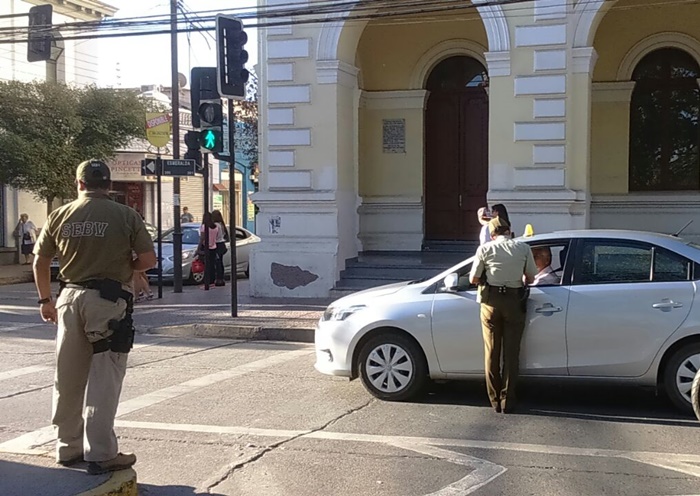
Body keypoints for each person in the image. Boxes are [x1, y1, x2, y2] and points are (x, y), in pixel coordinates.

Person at [32, 159, 156, 475]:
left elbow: (40, 262)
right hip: (107, 302)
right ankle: (101, 452)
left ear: (80, 184)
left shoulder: (59, 215)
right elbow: (148, 259)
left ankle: (66, 447)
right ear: (107, 185)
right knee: (105, 375)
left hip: (68, 299)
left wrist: (45, 300)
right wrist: (131, 267)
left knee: (68, 375)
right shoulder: (125, 215)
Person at [469, 216, 537, 414]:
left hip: (491, 302)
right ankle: (508, 399)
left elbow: (473, 278)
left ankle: (494, 399)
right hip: (514, 301)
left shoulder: (485, 249)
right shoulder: (523, 248)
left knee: (492, 351)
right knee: (511, 352)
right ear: (509, 231)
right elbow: (531, 277)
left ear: (492, 235)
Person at [198, 212, 219, 288]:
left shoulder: (204, 227)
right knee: (212, 265)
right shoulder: (215, 227)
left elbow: (202, 238)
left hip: (206, 247)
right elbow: (215, 237)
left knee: (206, 265)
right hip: (214, 247)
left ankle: (207, 282)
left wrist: (198, 248)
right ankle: (212, 282)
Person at [211, 210, 229, 287]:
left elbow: (215, 236)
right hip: (222, 244)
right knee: (220, 262)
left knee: (217, 262)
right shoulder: (222, 225)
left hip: (217, 244)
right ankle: (221, 278)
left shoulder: (216, 225)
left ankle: (219, 278)